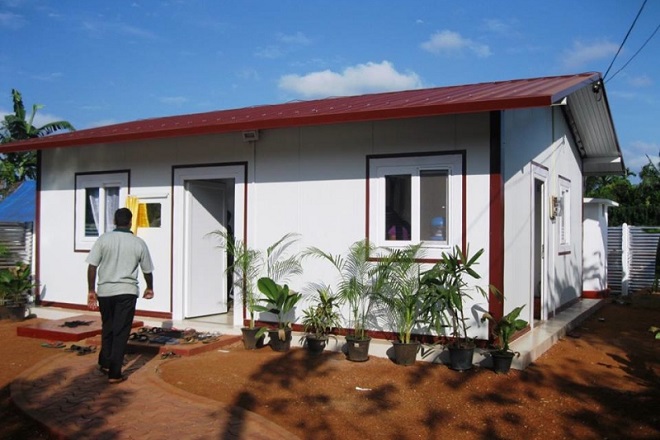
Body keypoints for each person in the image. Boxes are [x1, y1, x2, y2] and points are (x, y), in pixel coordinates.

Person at [86, 207, 154, 384]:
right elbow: (147, 270)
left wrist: (91, 290)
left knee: (108, 326)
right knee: (121, 331)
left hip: (105, 292)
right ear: (130, 222)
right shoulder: (138, 243)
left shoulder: (103, 239)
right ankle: (115, 373)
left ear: (114, 221)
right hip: (127, 292)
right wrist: (149, 287)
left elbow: (92, 266)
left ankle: (105, 362)